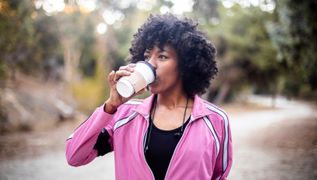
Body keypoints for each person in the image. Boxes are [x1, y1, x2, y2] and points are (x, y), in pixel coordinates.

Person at [66, 13, 232, 180]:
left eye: (162, 56)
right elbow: (74, 156)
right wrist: (110, 105)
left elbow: (219, 176)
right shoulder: (125, 115)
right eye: (146, 56)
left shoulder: (215, 120)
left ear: (185, 65)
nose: (150, 64)